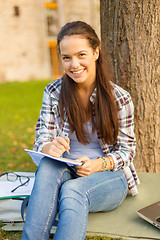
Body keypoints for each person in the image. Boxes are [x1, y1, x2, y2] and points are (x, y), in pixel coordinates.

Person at [21, 21, 140, 240]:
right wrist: (49, 146)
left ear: (96, 52)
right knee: (48, 164)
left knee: (73, 191)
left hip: (108, 177)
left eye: (81, 55)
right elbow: (42, 138)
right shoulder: (54, 91)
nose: (74, 64)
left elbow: (127, 151)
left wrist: (99, 164)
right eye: (66, 58)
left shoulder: (120, 99)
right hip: (66, 170)